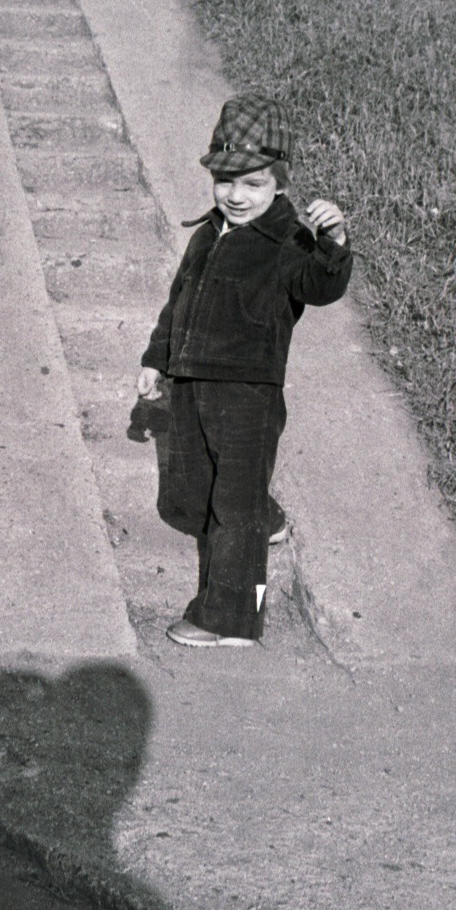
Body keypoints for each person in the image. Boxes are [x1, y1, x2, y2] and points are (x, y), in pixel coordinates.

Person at [136, 93, 352, 647]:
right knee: (194, 492)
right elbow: (178, 300)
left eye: (253, 184)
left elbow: (320, 286)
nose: (236, 195)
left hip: (247, 396)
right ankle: (267, 516)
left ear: (280, 184)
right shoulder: (208, 233)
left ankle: (234, 617)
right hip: (191, 384)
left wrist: (335, 245)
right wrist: (156, 359)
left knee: (233, 510)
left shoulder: (289, 243)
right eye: (226, 180)